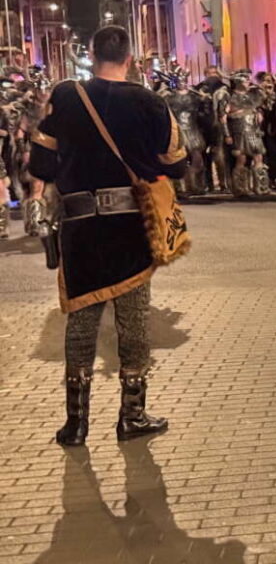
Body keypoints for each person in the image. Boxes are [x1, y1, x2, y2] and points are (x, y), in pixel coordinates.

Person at [27, 25, 187, 447]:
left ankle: (75, 423)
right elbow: (177, 162)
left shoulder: (65, 97)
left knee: (81, 319)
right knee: (132, 319)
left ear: (92, 54)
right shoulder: (150, 102)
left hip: (80, 227)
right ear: (129, 58)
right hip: (132, 227)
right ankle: (131, 416)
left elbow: (41, 164)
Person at [222, 70, 270, 197]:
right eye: (246, 80)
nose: (249, 81)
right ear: (238, 82)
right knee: (241, 158)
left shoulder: (253, 95)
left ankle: (261, 186)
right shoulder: (229, 97)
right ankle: (241, 188)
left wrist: (259, 112)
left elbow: (264, 104)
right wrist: (227, 135)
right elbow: (223, 119)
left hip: (254, 131)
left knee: (258, 157)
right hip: (239, 132)